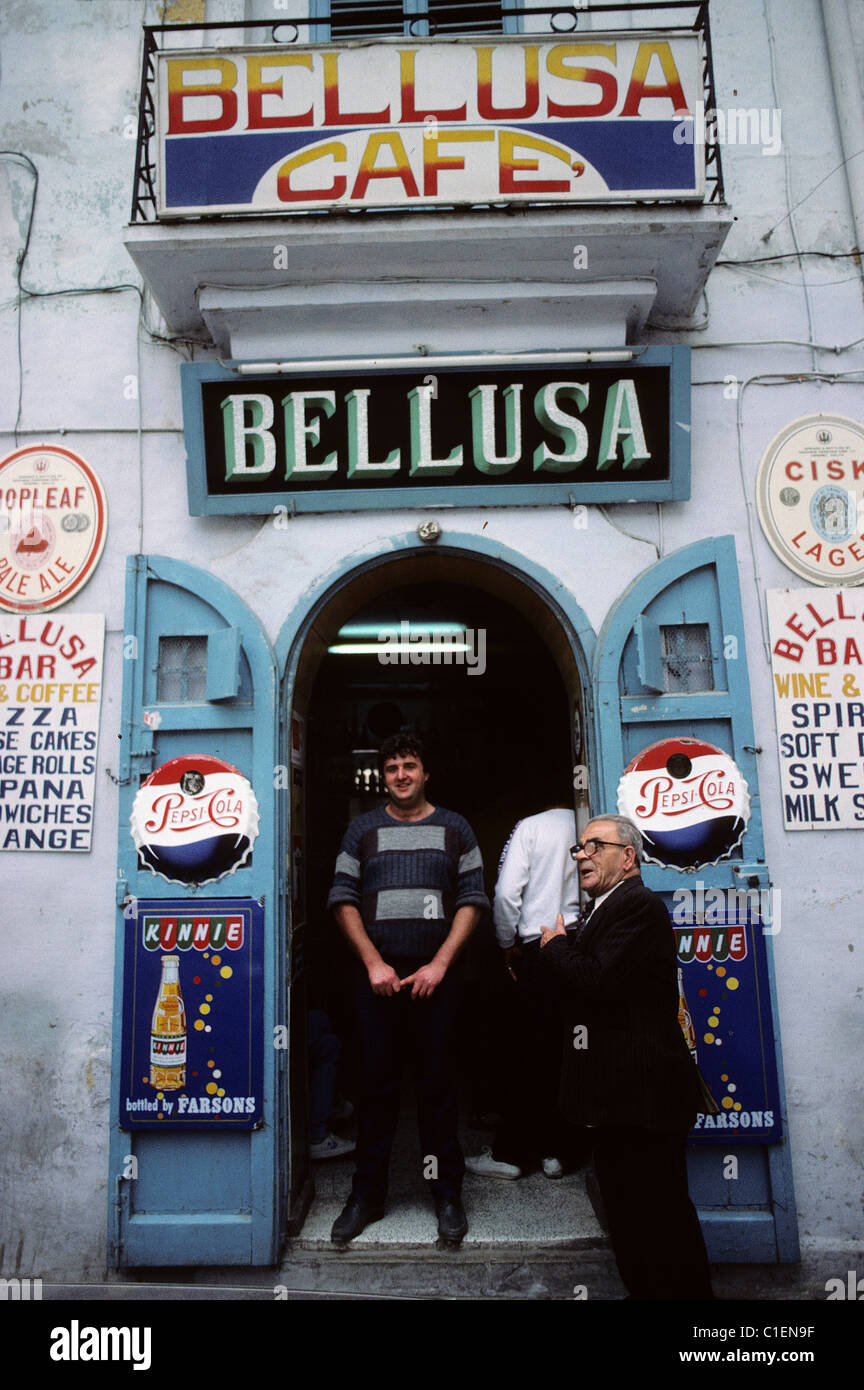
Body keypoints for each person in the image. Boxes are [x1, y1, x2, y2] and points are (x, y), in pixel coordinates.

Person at [538, 814, 714, 1300]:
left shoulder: (636, 905)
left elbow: (595, 981)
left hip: (645, 1100)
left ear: (628, 856)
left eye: (594, 846)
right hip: (622, 1100)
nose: (582, 857)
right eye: (579, 849)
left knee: (659, 1222)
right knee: (634, 1221)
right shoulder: (607, 908)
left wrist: (554, 947)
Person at [327, 732, 488, 1245]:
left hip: (436, 978)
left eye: (410, 765)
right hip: (378, 979)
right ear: (384, 775)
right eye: (392, 766)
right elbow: (342, 898)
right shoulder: (362, 830)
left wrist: (440, 963)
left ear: (425, 772)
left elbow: (473, 899)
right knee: (375, 1087)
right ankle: (367, 1197)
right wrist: (373, 962)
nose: (401, 774)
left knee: (438, 1088)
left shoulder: (456, 827)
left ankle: (446, 1197)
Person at [466, 805, 586, 1180]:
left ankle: (512, 1154)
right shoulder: (591, 820)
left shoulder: (530, 827)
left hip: (540, 946)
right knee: (571, 1051)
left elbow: (505, 894)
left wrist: (506, 942)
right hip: (584, 943)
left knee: (527, 1051)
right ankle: (559, 1153)